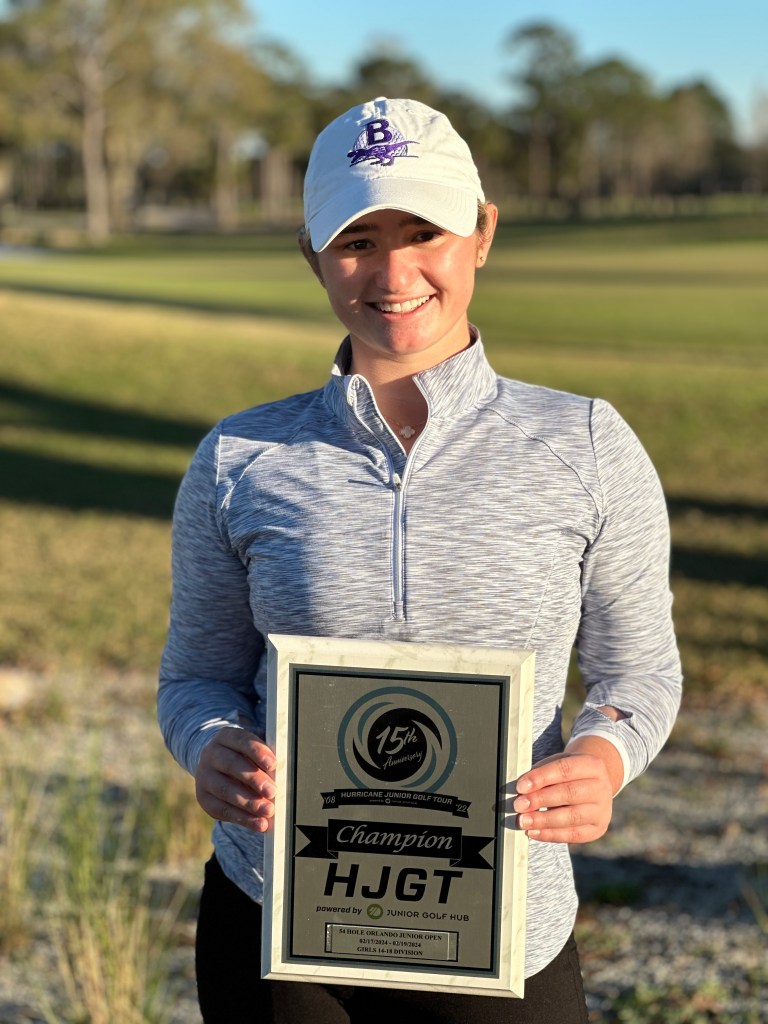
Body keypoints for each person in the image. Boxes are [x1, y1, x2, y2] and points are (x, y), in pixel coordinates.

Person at [158, 97, 682, 1023]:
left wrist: (601, 761)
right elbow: (197, 676)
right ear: (312, 253)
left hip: (504, 934)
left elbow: (638, 673)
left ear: (482, 234)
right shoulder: (241, 459)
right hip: (277, 926)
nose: (393, 273)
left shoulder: (587, 445)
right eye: (357, 240)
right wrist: (210, 745)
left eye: (424, 232)